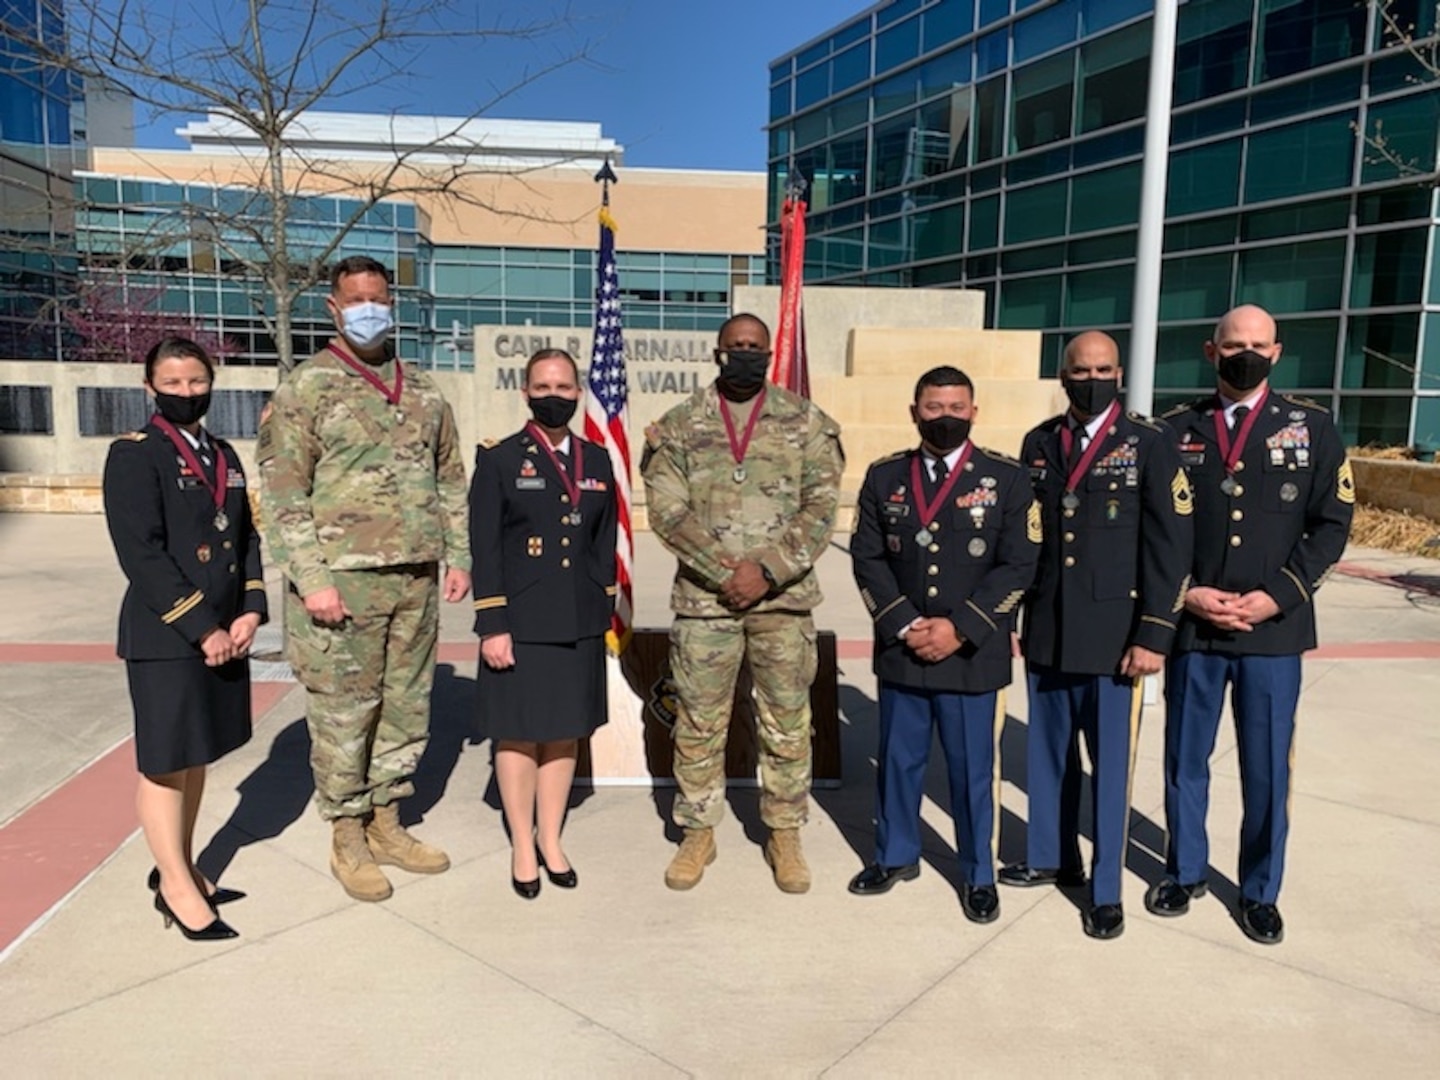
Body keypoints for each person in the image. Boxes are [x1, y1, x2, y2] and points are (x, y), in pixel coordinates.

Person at [258, 255, 472, 903]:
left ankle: (387, 818)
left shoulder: (425, 390)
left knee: (407, 707)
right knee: (345, 711)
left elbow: (448, 477)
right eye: (355, 299)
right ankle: (346, 830)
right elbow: (283, 492)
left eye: (377, 297)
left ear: (392, 301)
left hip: (414, 579)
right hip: (341, 586)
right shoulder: (308, 388)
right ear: (333, 307)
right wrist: (311, 577)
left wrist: (457, 554)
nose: (368, 309)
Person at [1150, 304, 1354, 944]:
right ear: (1211, 353)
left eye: (1258, 344)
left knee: (1267, 767)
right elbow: (1156, 528)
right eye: (1234, 343)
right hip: (1197, 626)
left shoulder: (1312, 428)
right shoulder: (1174, 430)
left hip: (1273, 632)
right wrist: (1187, 595)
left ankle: (1261, 890)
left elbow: (1331, 525)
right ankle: (1184, 871)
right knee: (1186, 759)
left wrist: (1279, 596)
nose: (1247, 353)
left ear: (1277, 351)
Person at [642, 312, 843, 894]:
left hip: (783, 604)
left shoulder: (806, 423)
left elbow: (821, 507)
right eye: (737, 347)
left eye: (757, 347)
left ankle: (783, 831)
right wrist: (724, 572)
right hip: (706, 605)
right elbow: (667, 510)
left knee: (786, 723)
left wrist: (768, 571)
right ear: (717, 352)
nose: (747, 355)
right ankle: (698, 831)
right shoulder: (678, 426)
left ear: (770, 354)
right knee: (700, 722)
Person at [1003, 332, 1194, 940]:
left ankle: (1106, 890)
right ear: (1063, 376)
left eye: (1104, 368)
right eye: (1081, 369)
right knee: (1048, 756)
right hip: (1050, 629)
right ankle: (1053, 858)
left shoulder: (1151, 442)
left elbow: (1171, 546)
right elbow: (1026, 537)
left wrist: (1155, 634)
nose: (1092, 378)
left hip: (1118, 638)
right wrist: (1014, 616)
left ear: (1120, 373)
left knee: (1109, 768)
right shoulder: (1039, 443)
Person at [849, 366, 1040, 923]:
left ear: (974, 412)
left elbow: (1020, 563)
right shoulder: (886, 476)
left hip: (972, 653)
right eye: (934, 407)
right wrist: (905, 623)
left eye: (957, 407)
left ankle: (979, 873)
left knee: (972, 770)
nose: (946, 417)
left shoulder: (1005, 478)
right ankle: (895, 855)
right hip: (905, 649)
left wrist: (962, 627)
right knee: (899, 762)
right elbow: (868, 557)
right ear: (915, 412)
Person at [103, 337, 267, 941]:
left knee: (196, 756)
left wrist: (251, 608)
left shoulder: (224, 454)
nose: (186, 393)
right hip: (169, 635)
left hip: (226, 631)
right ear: (149, 388)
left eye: (196, 382)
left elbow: (244, 537)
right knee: (165, 763)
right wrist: (203, 627)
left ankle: (185, 864)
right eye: (172, 384)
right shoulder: (135, 455)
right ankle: (173, 886)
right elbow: (140, 555)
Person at [469, 349, 617, 899]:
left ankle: (551, 838)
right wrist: (493, 624)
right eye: (542, 385)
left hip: (577, 619)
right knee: (518, 733)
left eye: (563, 385)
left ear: (578, 394)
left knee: (563, 733)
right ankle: (522, 846)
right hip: (521, 621)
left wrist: (604, 609)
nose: (553, 394)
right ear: (525, 393)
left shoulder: (597, 460)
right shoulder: (500, 459)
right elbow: (485, 547)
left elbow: (603, 544)